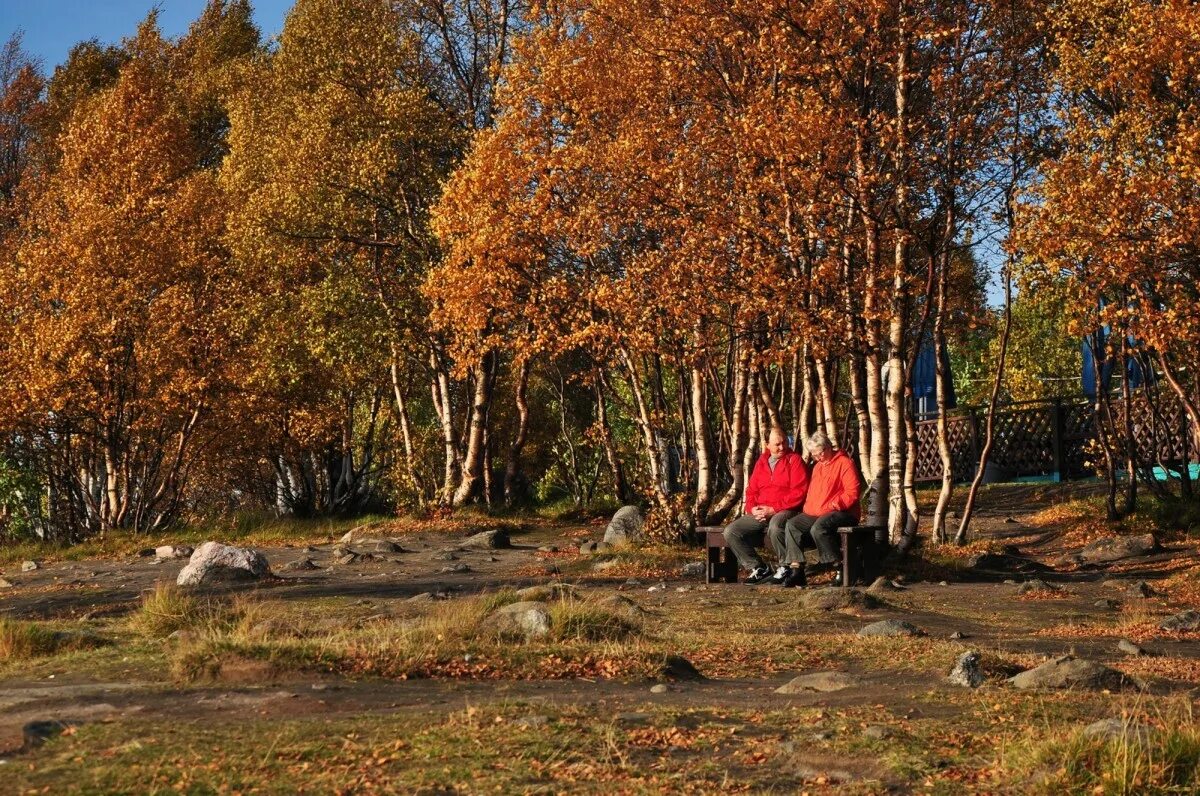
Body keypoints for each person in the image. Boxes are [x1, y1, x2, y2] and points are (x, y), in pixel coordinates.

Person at [722, 427, 810, 585]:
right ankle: (758, 567)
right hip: (761, 511)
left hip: (787, 509)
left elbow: (800, 492)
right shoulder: (761, 462)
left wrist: (774, 509)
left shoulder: (794, 460)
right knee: (731, 531)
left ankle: (785, 568)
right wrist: (752, 508)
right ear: (767, 444)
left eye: (784, 443)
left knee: (776, 526)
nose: (782, 447)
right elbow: (751, 491)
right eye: (777, 444)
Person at [783, 431, 862, 582]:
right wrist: (808, 508)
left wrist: (835, 504)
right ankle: (797, 570)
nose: (816, 457)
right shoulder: (818, 467)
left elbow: (852, 492)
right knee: (792, 525)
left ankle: (839, 566)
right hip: (817, 512)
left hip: (842, 511)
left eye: (818, 453)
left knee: (818, 528)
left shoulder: (845, 463)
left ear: (827, 448)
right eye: (813, 454)